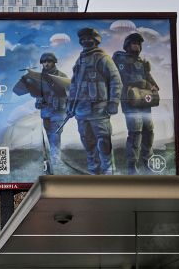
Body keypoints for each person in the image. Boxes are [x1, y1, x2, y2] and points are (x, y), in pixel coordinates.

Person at [67, 27, 122, 175]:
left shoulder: (103, 58)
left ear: (96, 40)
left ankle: (108, 168)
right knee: (87, 141)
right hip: (81, 109)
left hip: (99, 108)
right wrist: (70, 105)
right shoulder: (79, 61)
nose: (86, 41)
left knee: (103, 140)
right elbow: (74, 85)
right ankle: (93, 168)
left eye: (89, 38)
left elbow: (116, 80)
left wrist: (113, 103)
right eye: (83, 39)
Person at [112, 32, 160, 175]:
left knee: (149, 131)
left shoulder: (142, 63)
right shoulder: (120, 58)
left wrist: (153, 85)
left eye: (138, 44)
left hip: (144, 101)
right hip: (130, 99)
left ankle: (148, 162)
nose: (137, 46)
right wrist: (143, 82)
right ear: (127, 45)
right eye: (134, 43)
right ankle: (132, 167)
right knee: (135, 132)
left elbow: (149, 78)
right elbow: (122, 77)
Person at [35, 52, 70, 170]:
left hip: (58, 111)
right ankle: (53, 159)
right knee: (49, 136)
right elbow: (37, 93)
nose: (46, 64)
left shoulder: (61, 76)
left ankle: (56, 160)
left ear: (54, 62)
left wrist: (68, 107)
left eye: (49, 61)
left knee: (55, 135)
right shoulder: (40, 78)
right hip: (45, 112)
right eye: (44, 62)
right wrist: (38, 101)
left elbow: (70, 93)